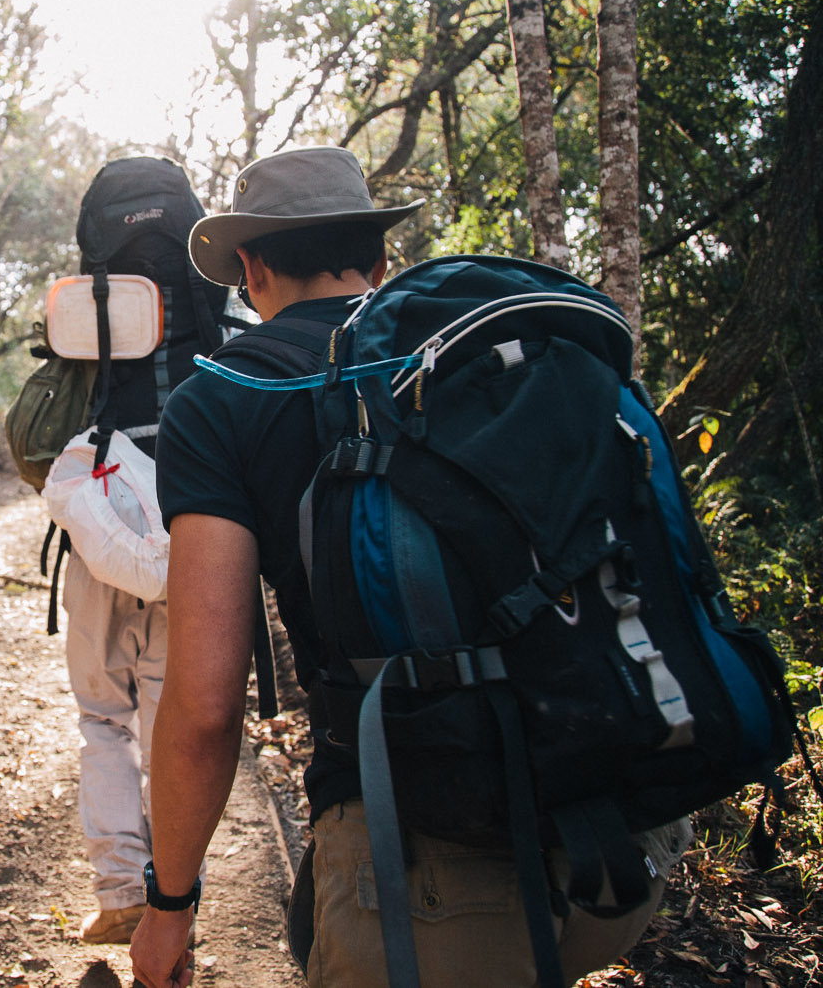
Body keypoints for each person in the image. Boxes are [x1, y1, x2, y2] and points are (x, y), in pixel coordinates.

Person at [129, 146, 689, 988]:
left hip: (425, 861)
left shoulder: (221, 399)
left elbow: (206, 706)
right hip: (620, 836)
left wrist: (170, 902)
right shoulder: (491, 350)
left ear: (248, 267)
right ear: (383, 259)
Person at [56, 159, 231, 946]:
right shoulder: (220, 309)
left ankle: (120, 887)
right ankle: (173, 895)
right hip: (194, 521)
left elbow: (46, 413)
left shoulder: (80, 310)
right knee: (171, 718)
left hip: (99, 507)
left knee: (102, 717)